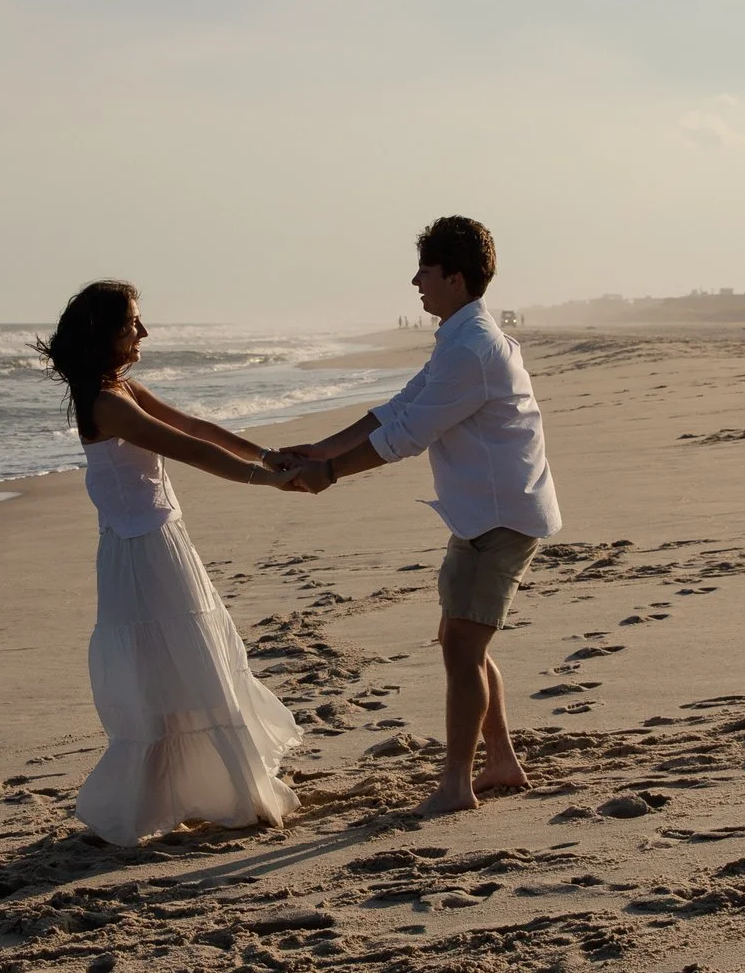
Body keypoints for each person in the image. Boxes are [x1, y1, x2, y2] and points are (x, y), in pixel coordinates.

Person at [279, 217, 561, 817]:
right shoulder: (461, 341)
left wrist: (331, 474)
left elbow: (406, 435)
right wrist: (321, 451)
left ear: (455, 278)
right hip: (483, 513)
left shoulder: (475, 349)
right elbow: (398, 408)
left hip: (500, 515)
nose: (415, 282)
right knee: (461, 640)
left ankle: (457, 785)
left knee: (463, 646)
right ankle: (502, 761)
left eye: (426, 272)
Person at [38, 280, 305, 845]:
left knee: (191, 663)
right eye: (132, 321)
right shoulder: (105, 402)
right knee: (167, 672)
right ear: (104, 333)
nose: (143, 331)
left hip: (161, 542)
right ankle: (169, 796)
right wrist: (267, 481)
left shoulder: (123, 388)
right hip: (139, 552)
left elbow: (194, 428)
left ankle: (219, 787)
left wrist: (266, 455)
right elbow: (189, 450)